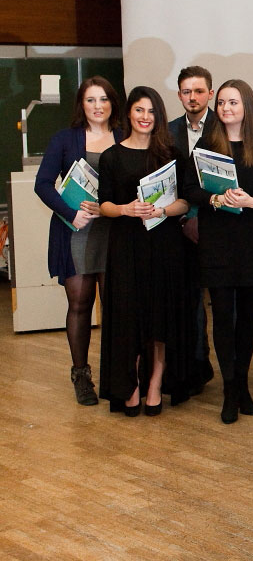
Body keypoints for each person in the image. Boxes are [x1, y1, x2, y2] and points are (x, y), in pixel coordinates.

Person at [182, 79, 253, 423]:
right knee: (223, 316)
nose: (225, 108)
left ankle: (242, 385)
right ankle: (229, 388)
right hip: (217, 241)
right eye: (221, 102)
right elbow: (189, 188)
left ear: (246, 106)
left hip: (251, 240)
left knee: (248, 317)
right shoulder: (207, 144)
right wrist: (214, 198)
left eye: (233, 102)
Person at [97, 86, 193, 415]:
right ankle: (131, 384)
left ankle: (155, 383)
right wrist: (126, 209)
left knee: (160, 317)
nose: (145, 117)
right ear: (128, 113)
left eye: (152, 111)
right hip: (126, 247)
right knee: (129, 317)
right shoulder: (111, 156)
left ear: (159, 116)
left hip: (165, 246)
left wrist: (161, 210)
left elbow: (185, 202)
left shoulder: (172, 155)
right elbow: (104, 205)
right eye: (139, 110)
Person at [35, 77, 122, 405]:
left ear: (113, 103)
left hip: (114, 232)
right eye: (90, 100)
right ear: (81, 105)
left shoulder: (125, 136)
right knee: (80, 304)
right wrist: (71, 214)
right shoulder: (64, 139)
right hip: (77, 231)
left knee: (116, 307)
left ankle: (118, 374)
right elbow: (43, 184)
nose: (98, 106)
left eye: (104, 99)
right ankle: (81, 375)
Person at [168, 66, 217, 395]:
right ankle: (196, 366)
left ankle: (230, 371)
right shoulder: (167, 131)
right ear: (179, 95)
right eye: (187, 92)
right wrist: (185, 219)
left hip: (219, 224)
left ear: (210, 94)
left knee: (226, 305)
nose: (193, 97)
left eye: (199, 91)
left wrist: (200, 214)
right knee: (189, 302)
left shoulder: (225, 126)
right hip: (179, 228)